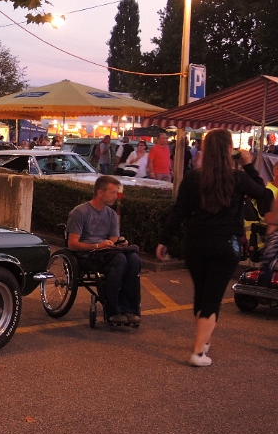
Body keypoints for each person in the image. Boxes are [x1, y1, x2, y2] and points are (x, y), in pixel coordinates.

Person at [156, 130, 274, 367]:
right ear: (229, 149)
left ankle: (203, 340)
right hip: (225, 245)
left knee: (201, 293)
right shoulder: (238, 178)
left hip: (195, 243)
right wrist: (248, 165)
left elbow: (179, 211)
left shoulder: (193, 177)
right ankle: (198, 352)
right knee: (213, 296)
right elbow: (266, 195)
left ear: (206, 149)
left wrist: (164, 240)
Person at [66, 175, 142, 326]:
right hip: (87, 255)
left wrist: (119, 243)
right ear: (100, 193)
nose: (116, 196)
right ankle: (112, 310)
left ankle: (129, 309)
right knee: (119, 260)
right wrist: (97, 246)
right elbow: (72, 244)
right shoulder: (80, 212)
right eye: (113, 192)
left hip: (106, 252)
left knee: (134, 259)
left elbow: (114, 239)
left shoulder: (111, 214)